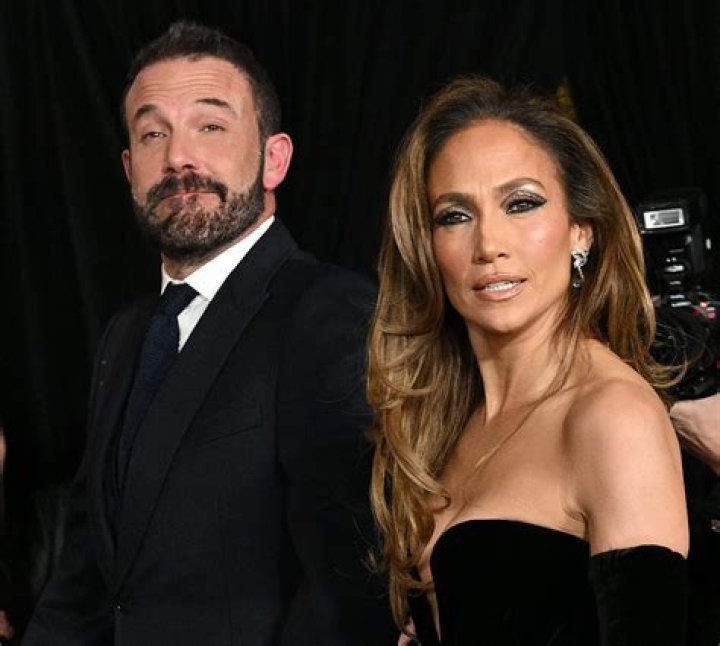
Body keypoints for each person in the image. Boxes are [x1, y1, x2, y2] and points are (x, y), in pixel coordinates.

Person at [23, 21, 394, 646]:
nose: (178, 157)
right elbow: (87, 573)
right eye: (153, 134)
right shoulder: (126, 335)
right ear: (129, 168)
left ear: (274, 159)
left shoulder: (328, 313)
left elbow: (349, 588)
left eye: (211, 127)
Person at [368, 76, 689, 645]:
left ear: (580, 232)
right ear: (427, 246)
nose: (488, 244)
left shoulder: (612, 416)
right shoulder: (441, 422)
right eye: (454, 215)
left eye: (521, 204)